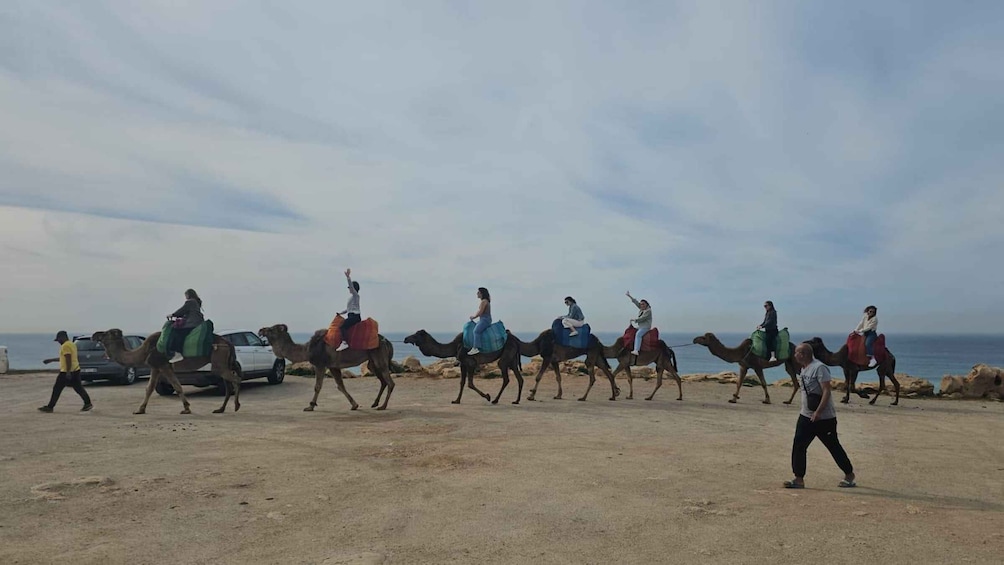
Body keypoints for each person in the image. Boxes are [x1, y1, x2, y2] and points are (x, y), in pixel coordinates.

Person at [783, 343, 856, 490]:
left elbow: (827, 391)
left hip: (824, 418)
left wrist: (819, 412)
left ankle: (849, 475)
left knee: (833, 446)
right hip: (805, 415)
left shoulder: (819, 368)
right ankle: (798, 479)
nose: (795, 355)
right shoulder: (803, 369)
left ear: (803, 354)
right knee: (799, 445)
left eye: (797, 352)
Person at [39, 330, 92, 413]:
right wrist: (51, 360)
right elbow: (65, 357)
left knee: (57, 389)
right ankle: (88, 403)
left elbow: (68, 359)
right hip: (75, 369)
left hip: (67, 371)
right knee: (78, 388)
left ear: (63, 338)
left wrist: (67, 372)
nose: (58, 342)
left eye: (59, 339)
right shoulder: (72, 344)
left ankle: (50, 407)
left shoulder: (65, 346)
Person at [167, 289, 205, 356]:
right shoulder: (196, 302)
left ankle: (177, 352)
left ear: (188, 295)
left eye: (186, 295)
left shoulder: (190, 302)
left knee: (177, 332)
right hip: (198, 322)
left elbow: (182, 310)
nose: (185, 297)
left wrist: (172, 315)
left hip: (192, 323)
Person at [336, 269, 360, 352]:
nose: (349, 288)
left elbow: (352, 288)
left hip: (355, 316)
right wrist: (340, 313)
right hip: (351, 315)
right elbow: (348, 309)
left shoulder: (356, 295)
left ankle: (345, 343)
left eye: (349, 287)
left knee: (342, 327)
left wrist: (348, 277)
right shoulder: (351, 298)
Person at [625, 291, 652, 356]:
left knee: (638, 335)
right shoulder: (641, 309)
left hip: (645, 327)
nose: (642, 305)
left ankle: (636, 350)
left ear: (647, 304)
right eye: (641, 304)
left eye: (643, 304)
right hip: (640, 326)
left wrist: (634, 320)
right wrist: (629, 296)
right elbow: (635, 302)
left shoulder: (648, 311)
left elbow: (643, 318)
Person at [467, 287, 492, 355]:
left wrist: (473, 317)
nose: (477, 294)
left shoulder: (484, 301)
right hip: (483, 319)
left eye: (478, 292)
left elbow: (480, 312)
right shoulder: (485, 301)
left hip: (485, 319)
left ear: (482, 294)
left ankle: (476, 348)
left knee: (476, 331)